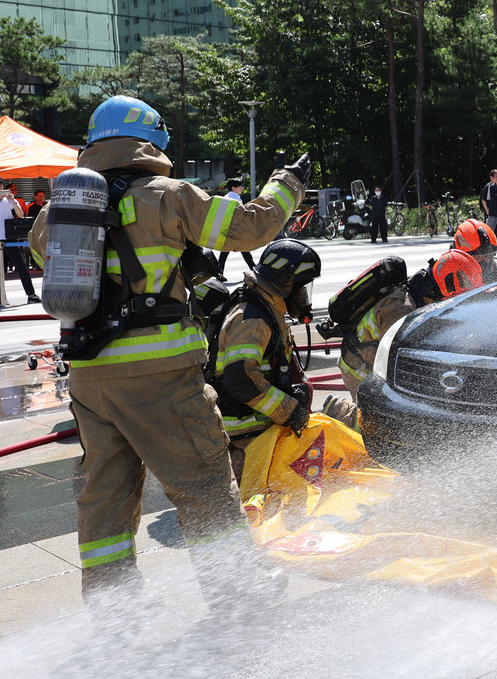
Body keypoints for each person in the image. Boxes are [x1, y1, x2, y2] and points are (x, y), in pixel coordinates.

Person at [30, 95, 309, 622]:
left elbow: (44, 255)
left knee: (105, 496)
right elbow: (250, 227)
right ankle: (238, 601)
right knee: (204, 487)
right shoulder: (169, 195)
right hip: (159, 378)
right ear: (152, 140)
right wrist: (286, 184)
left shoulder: (59, 210)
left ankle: (116, 613)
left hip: (90, 382)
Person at [325, 249, 482, 425]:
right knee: (377, 426)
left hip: (373, 359)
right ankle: (336, 409)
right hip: (360, 368)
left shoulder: (422, 299)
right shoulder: (401, 310)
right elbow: (393, 361)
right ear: (449, 285)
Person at [210, 239, 322, 479]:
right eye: (302, 287)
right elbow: (241, 377)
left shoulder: (266, 307)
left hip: (257, 431)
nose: (303, 296)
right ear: (285, 283)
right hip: (245, 438)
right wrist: (289, 410)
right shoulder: (253, 319)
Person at [0, 183, 40, 303]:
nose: (0, 191)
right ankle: (1, 297)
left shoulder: (9, 200)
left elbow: (20, 214)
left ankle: (30, 293)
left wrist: (13, 200)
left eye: (1, 188)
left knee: (22, 266)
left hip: (9, 236)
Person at [216, 179, 256, 281]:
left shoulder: (227, 197)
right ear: (234, 188)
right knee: (243, 249)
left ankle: (219, 272)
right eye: (239, 186)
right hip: (234, 230)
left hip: (227, 229)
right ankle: (254, 269)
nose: (241, 188)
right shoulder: (235, 199)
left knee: (226, 251)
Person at [453, 217, 497, 283]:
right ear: (462, 257)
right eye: (478, 256)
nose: (483, 260)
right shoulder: (447, 275)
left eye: (486, 255)